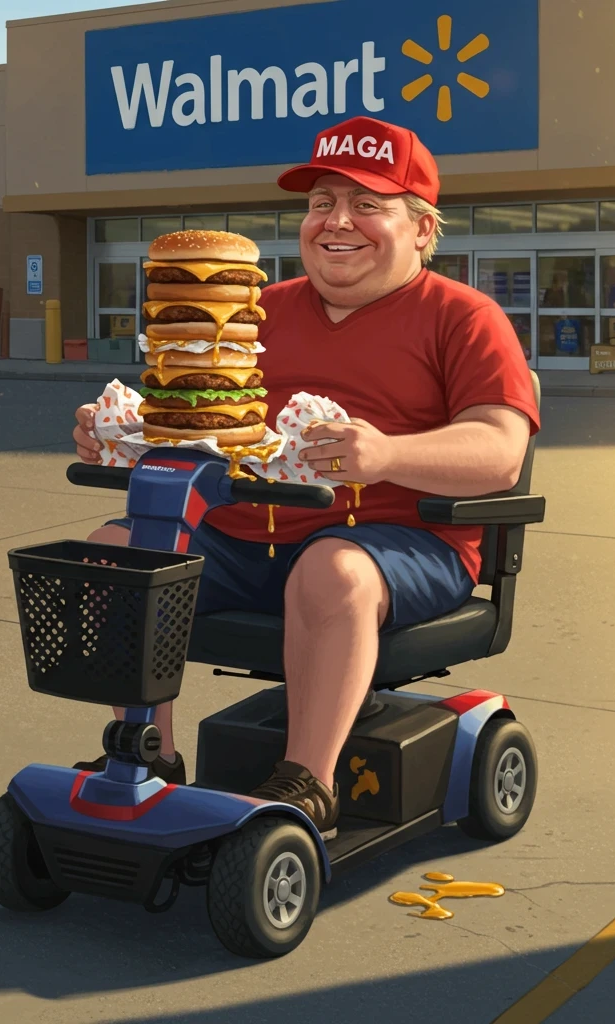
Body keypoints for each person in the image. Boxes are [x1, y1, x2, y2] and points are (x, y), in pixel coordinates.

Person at [71, 116, 540, 839]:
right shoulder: (255, 311)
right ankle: (148, 756)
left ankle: (308, 782)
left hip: (402, 545)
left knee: (329, 571)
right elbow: (200, 417)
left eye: (367, 205)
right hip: (242, 538)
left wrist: (386, 456)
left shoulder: (465, 319)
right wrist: (122, 433)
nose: (337, 222)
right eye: (322, 202)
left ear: (421, 229)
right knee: (116, 548)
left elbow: (499, 450)